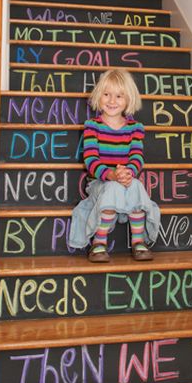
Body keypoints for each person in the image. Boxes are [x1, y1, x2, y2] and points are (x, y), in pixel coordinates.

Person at [69, 68, 160, 261]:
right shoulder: (93, 126)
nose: (112, 101)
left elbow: (137, 157)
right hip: (99, 183)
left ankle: (138, 241)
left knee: (136, 185)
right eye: (107, 95)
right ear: (98, 96)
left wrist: (129, 172)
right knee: (111, 188)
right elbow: (91, 160)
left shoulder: (135, 129)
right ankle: (99, 243)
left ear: (128, 99)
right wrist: (111, 174)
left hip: (125, 180)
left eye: (119, 96)